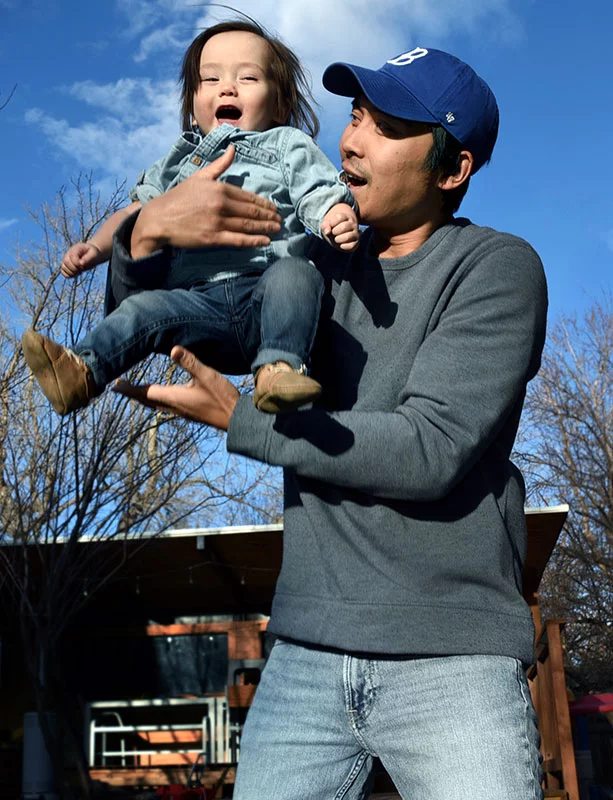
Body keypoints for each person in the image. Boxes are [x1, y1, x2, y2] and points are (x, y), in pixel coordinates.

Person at [113, 45, 548, 800]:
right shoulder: (308, 265)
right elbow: (173, 323)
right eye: (353, 114)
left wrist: (245, 422)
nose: (350, 141)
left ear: (451, 170)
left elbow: (430, 448)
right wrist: (145, 238)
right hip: (304, 653)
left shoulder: (495, 268)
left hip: (450, 657)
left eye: (386, 126)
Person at [21, 20, 359, 416]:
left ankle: (279, 368)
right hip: (196, 303)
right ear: (193, 105)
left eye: (247, 77)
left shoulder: (287, 144)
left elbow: (316, 189)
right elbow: (135, 212)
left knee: (298, 276)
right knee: (142, 310)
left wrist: (333, 215)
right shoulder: (179, 161)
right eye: (210, 78)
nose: (227, 87)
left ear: (281, 104)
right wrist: (95, 247)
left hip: (266, 299)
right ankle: (80, 372)